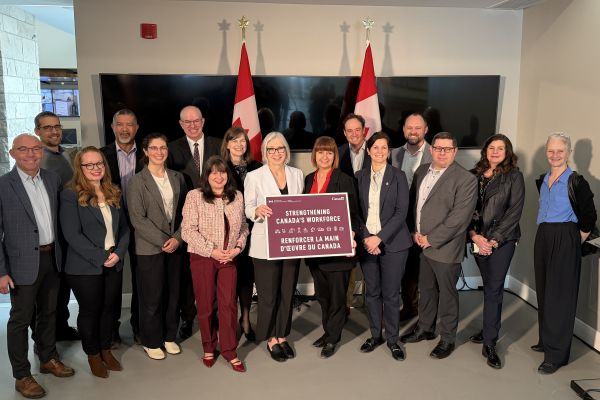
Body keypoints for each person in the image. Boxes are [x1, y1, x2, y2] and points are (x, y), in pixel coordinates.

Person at [0, 134, 75, 399]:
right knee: (19, 320)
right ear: (12, 153)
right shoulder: (3, 185)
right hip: (21, 263)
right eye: (24, 149)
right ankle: (22, 375)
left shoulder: (51, 179)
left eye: (35, 149)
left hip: (52, 257)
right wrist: (1, 271)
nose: (31, 154)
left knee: (49, 312)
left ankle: (48, 358)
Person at [401, 132, 478, 360]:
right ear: (431, 149)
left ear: (455, 151)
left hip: (444, 247)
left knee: (447, 294)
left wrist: (431, 239)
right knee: (426, 290)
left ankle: (447, 339)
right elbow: (415, 204)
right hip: (421, 243)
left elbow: (459, 219)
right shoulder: (422, 170)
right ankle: (425, 328)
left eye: (447, 148)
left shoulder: (465, 179)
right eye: (438, 148)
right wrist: (415, 233)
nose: (442, 152)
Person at [60, 146, 130, 378]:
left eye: (99, 163)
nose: (95, 168)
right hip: (84, 266)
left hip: (114, 261)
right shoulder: (71, 194)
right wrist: (102, 257)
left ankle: (105, 349)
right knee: (91, 311)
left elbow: (124, 229)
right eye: (89, 164)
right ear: (80, 168)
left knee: (110, 310)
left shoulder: (113, 191)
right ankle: (92, 355)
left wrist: (118, 253)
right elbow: (72, 235)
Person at [532, 133, 597, 374]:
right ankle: (546, 340)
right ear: (546, 152)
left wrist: (572, 239)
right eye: (551, 150)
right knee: (545, 288)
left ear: (568, 152)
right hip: (544, 236)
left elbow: (589, 217)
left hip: (566, 236)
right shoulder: (543, 180)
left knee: (560, 296)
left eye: (560, 151)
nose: (555, 155)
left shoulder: (577, 182)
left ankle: (557, 355)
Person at [181, 156, 249, 373]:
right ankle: (209, 346)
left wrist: (237, 248)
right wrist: (212, 250)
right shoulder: (195, 196)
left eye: (223, 172)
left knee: (228, 304)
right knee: (205, 304)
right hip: (203, 257)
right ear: (207, 176)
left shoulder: (237, 196)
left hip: (229, 258)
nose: (219, 176)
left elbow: (244, 227)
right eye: (214, 172)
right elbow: (187, 231)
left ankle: (230, 350)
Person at [244, 132, 304, 362]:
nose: (276, 153)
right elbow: (248, 207)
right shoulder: (254, 176)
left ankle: (282, 335)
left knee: (287, 292)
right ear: (265, 152)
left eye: (280, 149)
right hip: (264, 244)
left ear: (286, 151)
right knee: (268, 295)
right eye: (271, 149)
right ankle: (270, 338)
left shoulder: (297, 174)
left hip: (291, 243)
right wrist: (256, 211)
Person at [126, 133, 187, 360]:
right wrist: (164, 241)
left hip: (175, 247)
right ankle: (151, 340)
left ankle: (169, 336)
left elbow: (184, 214)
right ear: (145, 151)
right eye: (154, 148)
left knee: (173, 295)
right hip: (150, 249)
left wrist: (178, 239)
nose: (159, 152)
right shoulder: (137, 182)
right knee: (152, 298)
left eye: (163, 147)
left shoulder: (177, 177)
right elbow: (137, 219)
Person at [466, 134, 525, 369]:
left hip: (503, 241)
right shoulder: (475, 175)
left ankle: (490, 343)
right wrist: (474, 236)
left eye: (500, 148)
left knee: (494, 289)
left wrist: (493, 240)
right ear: (485, 151)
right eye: (491, 147)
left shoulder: (514, 176)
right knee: (489, 287)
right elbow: (467, 208)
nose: (495, 151)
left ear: (507, 151)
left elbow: (514, 212)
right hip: (478, 240)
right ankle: (489, 328)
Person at [356, 132, 412, 361]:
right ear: (368, 151)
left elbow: (401, 213)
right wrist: (368, 238)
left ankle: (392, 339)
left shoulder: (398, 176)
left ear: (389, 151)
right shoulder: (359, 176)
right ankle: (374, 335)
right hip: (367, 243)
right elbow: (356, 213)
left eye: (384, 147)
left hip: (394, 244)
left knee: (390, 294)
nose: (379, 151)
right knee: (372, 292)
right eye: (375, 147)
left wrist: (379, 238)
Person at [303, 136, 360, 358]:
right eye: (320, 152)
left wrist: (352, 234)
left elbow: (354, 214)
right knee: (323, 296)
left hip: (338, 253)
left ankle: (333, 338)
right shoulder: (309, 179)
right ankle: (329, 331)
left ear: (334, 156)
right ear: (314, 155)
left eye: (329, 152)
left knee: (337, 298)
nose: (324, 156)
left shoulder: (344, 179)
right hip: (315, 252)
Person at [168, 105, 221, 340]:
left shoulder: (219, 145)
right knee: (188, 275)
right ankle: (188, 318)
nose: (192, 125)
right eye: (187, 122)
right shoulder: (170, 149)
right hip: (186, 220)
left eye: (196, 120)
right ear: (181, 124)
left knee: (219, 272)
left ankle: (217, 319)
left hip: (217, 219)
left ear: (203, 121)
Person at [100, 108, 144, 347]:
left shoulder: (148, 155)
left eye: (130, 124)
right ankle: (112, 331)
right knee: (112, 283)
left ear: (136, 128)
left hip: (141, 226)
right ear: (113, 127)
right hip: (112, 228)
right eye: (120, 124)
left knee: (142, 280)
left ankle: (139, 327)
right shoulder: (101, 155)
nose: (125, 129)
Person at [34, 111, 80, 341]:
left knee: (62, 290)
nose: (54, 131)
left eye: (57, 126)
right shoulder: (37, 160)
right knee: (46, 296)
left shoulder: (66, 156)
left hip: (65, 235)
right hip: (47, 236)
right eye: (47, 127)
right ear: (38, 132)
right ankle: (43, 343)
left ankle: (61, 330)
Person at [221, 126, 262, 342]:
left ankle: (245, 319)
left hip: (254, 229)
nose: (239, 145)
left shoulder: (257, 167)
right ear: (227, 144)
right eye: (234, 141)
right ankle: (228, 323)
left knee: (247, 278)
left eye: (242, 141)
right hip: (227, 232)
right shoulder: (220, 167)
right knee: (230, 278)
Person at [390, 112, 432, 322]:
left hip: (425, 221)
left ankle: (427, 314)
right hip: (399, 220)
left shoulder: (436, 153)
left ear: (426, 130)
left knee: (424, 267)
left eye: (418, 128)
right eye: (409, 127)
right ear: (404, 129)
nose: (413, 131)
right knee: (406, 266)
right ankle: (410, 307)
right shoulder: (394, 153)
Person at [338, 113, 371, 315]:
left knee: (372, 265)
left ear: (364, 131)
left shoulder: (377, 150)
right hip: (347, 217)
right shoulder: (339, 152)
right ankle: (346, 309)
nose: (353, 134)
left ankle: (373, 308)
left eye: (357, 130)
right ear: (344, 133)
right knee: (347, 267)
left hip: (372, 217)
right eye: (349, 130)